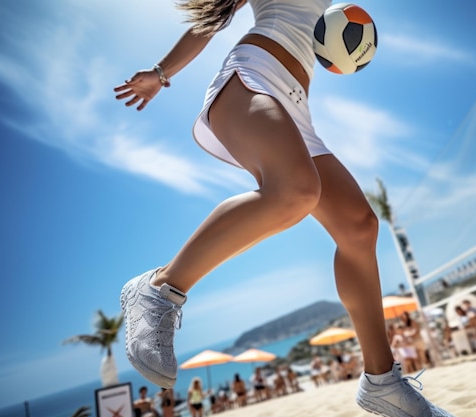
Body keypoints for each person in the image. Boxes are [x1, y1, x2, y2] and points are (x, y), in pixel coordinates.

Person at [115, 1, 456, 416]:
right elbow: (210, 20)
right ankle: (159, 289)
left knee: (359, 227)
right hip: (252, 76)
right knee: (293, 191)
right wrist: (162, 73)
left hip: (297, 103)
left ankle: (382, 383)